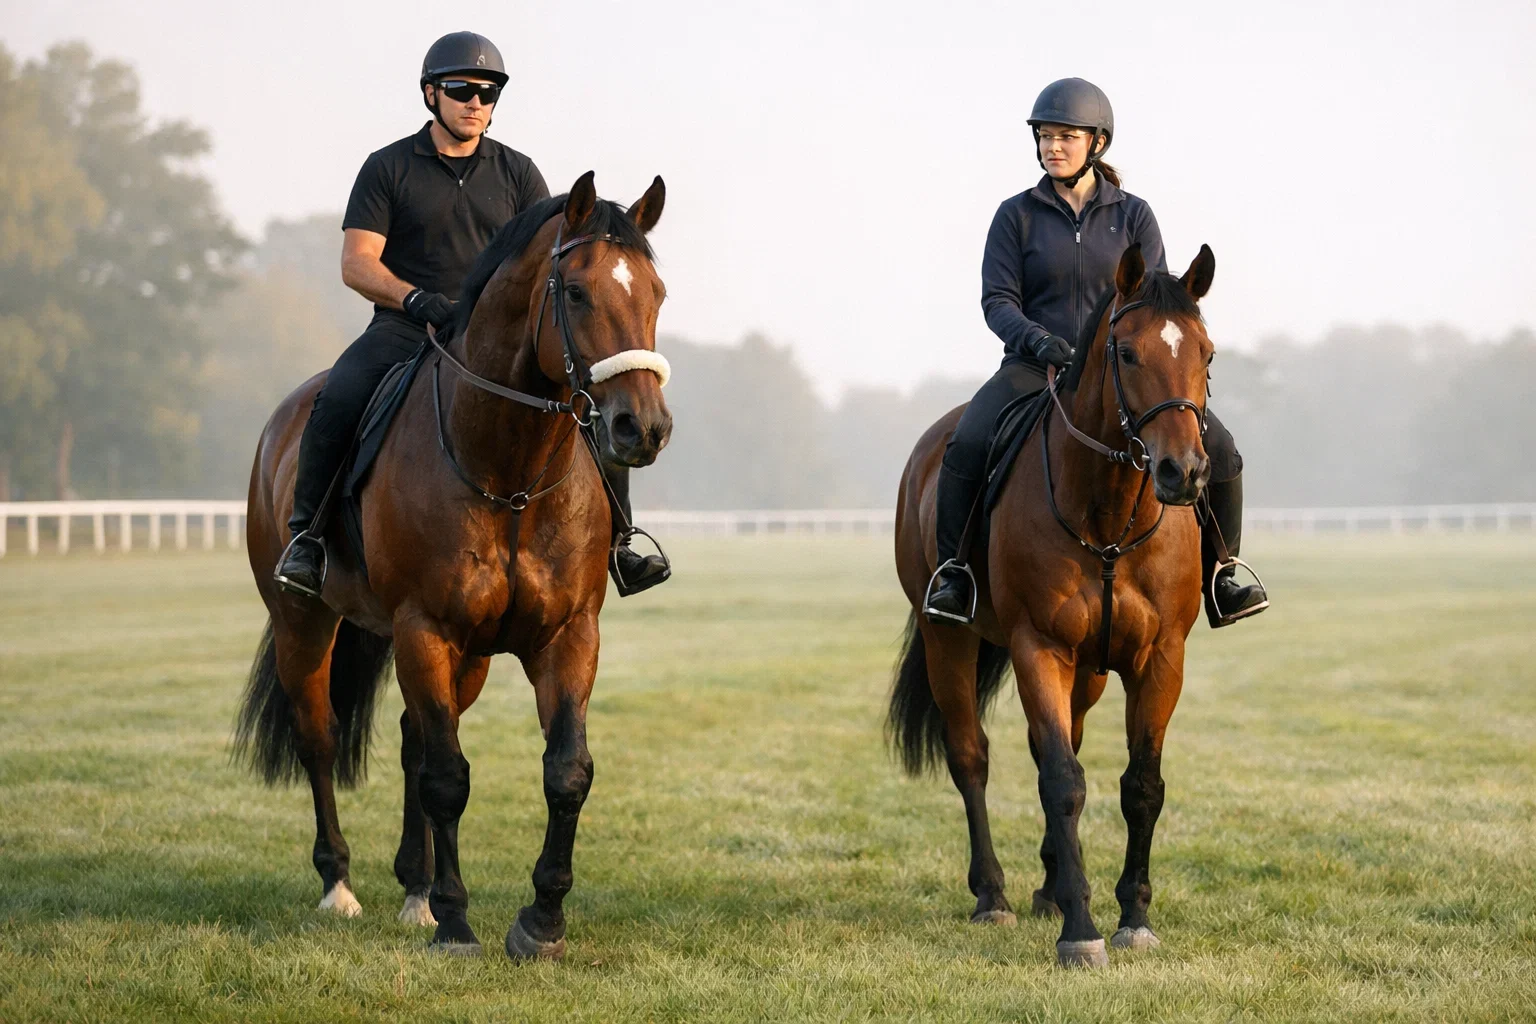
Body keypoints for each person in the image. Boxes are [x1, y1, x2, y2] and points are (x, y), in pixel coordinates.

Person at [274, 31, 669, 599]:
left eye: (488, 92)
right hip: (406, 325)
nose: (475, 102)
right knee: (339, 395)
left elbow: (549, 262)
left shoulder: (518, 173)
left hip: (495, 340)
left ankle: (621, 543)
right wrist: (416, 299)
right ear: (432, 94)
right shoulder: (387, 168)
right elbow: (356, 264)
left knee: (593, 402)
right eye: (461, 89)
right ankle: (306, 539)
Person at [922, 77, 1267, 629]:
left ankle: (1223, 575)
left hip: (1124, 370)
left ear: (1097, 144)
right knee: (967, 442)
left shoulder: (1134, 214)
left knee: (1219, 450)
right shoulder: (1017, 215)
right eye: (1044, 137)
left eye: (1065, 137)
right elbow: (998, 300)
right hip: (1036, 366)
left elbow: (1156, 299)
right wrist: (1038, 341)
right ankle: (955, 573)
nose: (1052, 147)